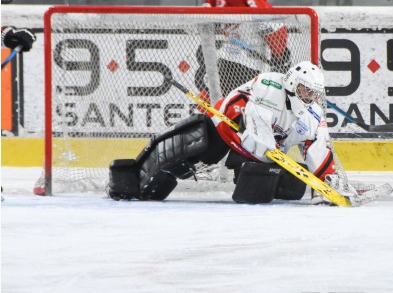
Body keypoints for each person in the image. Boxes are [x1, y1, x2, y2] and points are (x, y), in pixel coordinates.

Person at [107, 61, 357, 204]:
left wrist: (326, 182)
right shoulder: (271, 84)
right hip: (226, 131)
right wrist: (268, 148)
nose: (310, 96)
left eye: (314, 92)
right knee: (186, 148)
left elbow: (317, 143)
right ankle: (131, 180)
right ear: (293, 82)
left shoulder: (312, 110)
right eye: (306, 90)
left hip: (260, 154)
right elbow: (258, 121)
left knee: (259, 194)